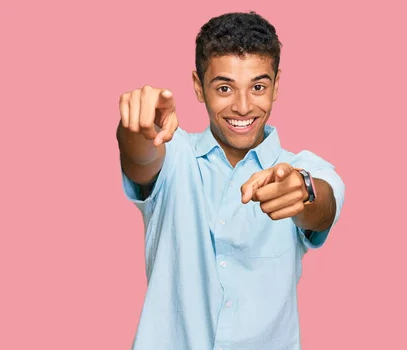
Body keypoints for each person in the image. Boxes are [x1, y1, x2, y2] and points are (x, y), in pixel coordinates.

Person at [116, 11, 345, 350]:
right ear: (198, 87)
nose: (242, 106)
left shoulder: (304, 168)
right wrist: (139, 125)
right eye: (225, 87)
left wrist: (303, 191)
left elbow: (323, 204)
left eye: (257, 87)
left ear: (276, 85)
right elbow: (140, 153)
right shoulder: (174, 153)